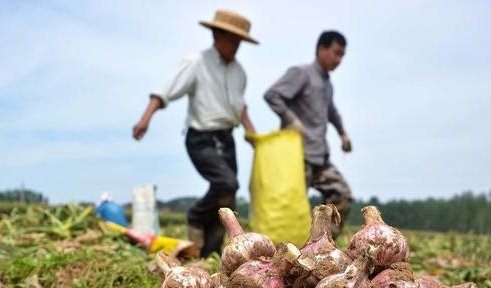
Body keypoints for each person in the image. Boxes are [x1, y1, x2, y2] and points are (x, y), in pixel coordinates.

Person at [132, 10, 258, 257]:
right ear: (216, 35)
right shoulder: (197, 62)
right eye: (232, 39)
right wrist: (145, 119)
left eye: (239, 41)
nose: (236, 46)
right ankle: (195, 215)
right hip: (201, 137)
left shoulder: (239, 72)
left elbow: (240, 106)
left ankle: (208, 256)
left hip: (226, 138)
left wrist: (251, 132)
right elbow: (165, 90)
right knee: (226, 183)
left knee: (228, 198)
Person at [264, 30, 352, 238]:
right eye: (336, 53)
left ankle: (322, 246)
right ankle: (282, 254)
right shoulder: (301, 73)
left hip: (319, 155)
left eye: (342, 55)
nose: (338, 59)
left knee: (342, 196)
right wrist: (291, 120)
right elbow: (273, 95)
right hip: (297, 156)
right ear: (322, 49)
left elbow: (332, 112)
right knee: (290, 209)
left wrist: (343, 134)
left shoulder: (327, 83)